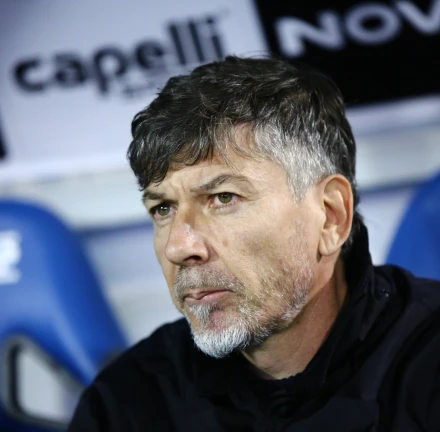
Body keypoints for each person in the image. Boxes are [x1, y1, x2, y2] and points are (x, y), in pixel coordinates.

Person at [68, 56, 440, 431]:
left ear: (330, 216)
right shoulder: (124, 403)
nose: (178, 247)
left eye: (223, 198)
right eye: (163, 208)